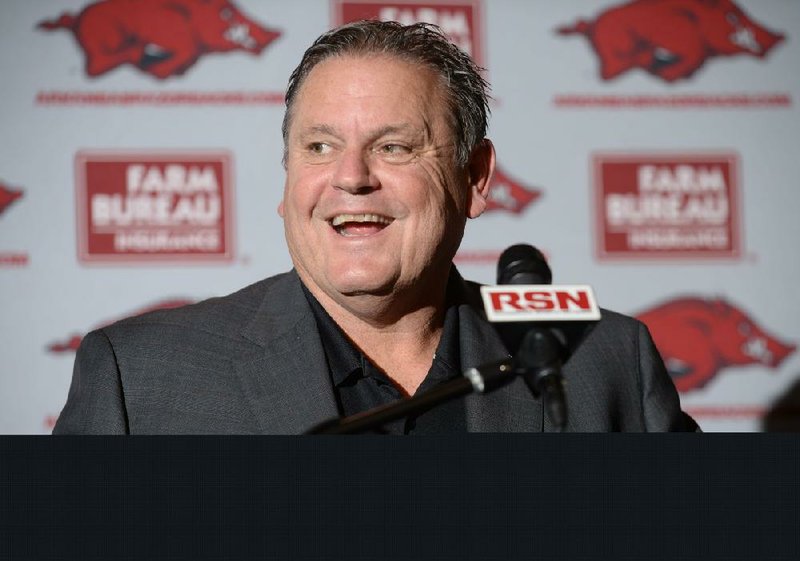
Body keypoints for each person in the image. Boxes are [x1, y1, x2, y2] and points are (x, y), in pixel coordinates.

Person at [54, 21, 697, 434]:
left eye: (393, 147)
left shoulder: (604, 358)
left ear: (475, 177)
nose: (351, 177)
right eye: (318, 148)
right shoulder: (140, 378)